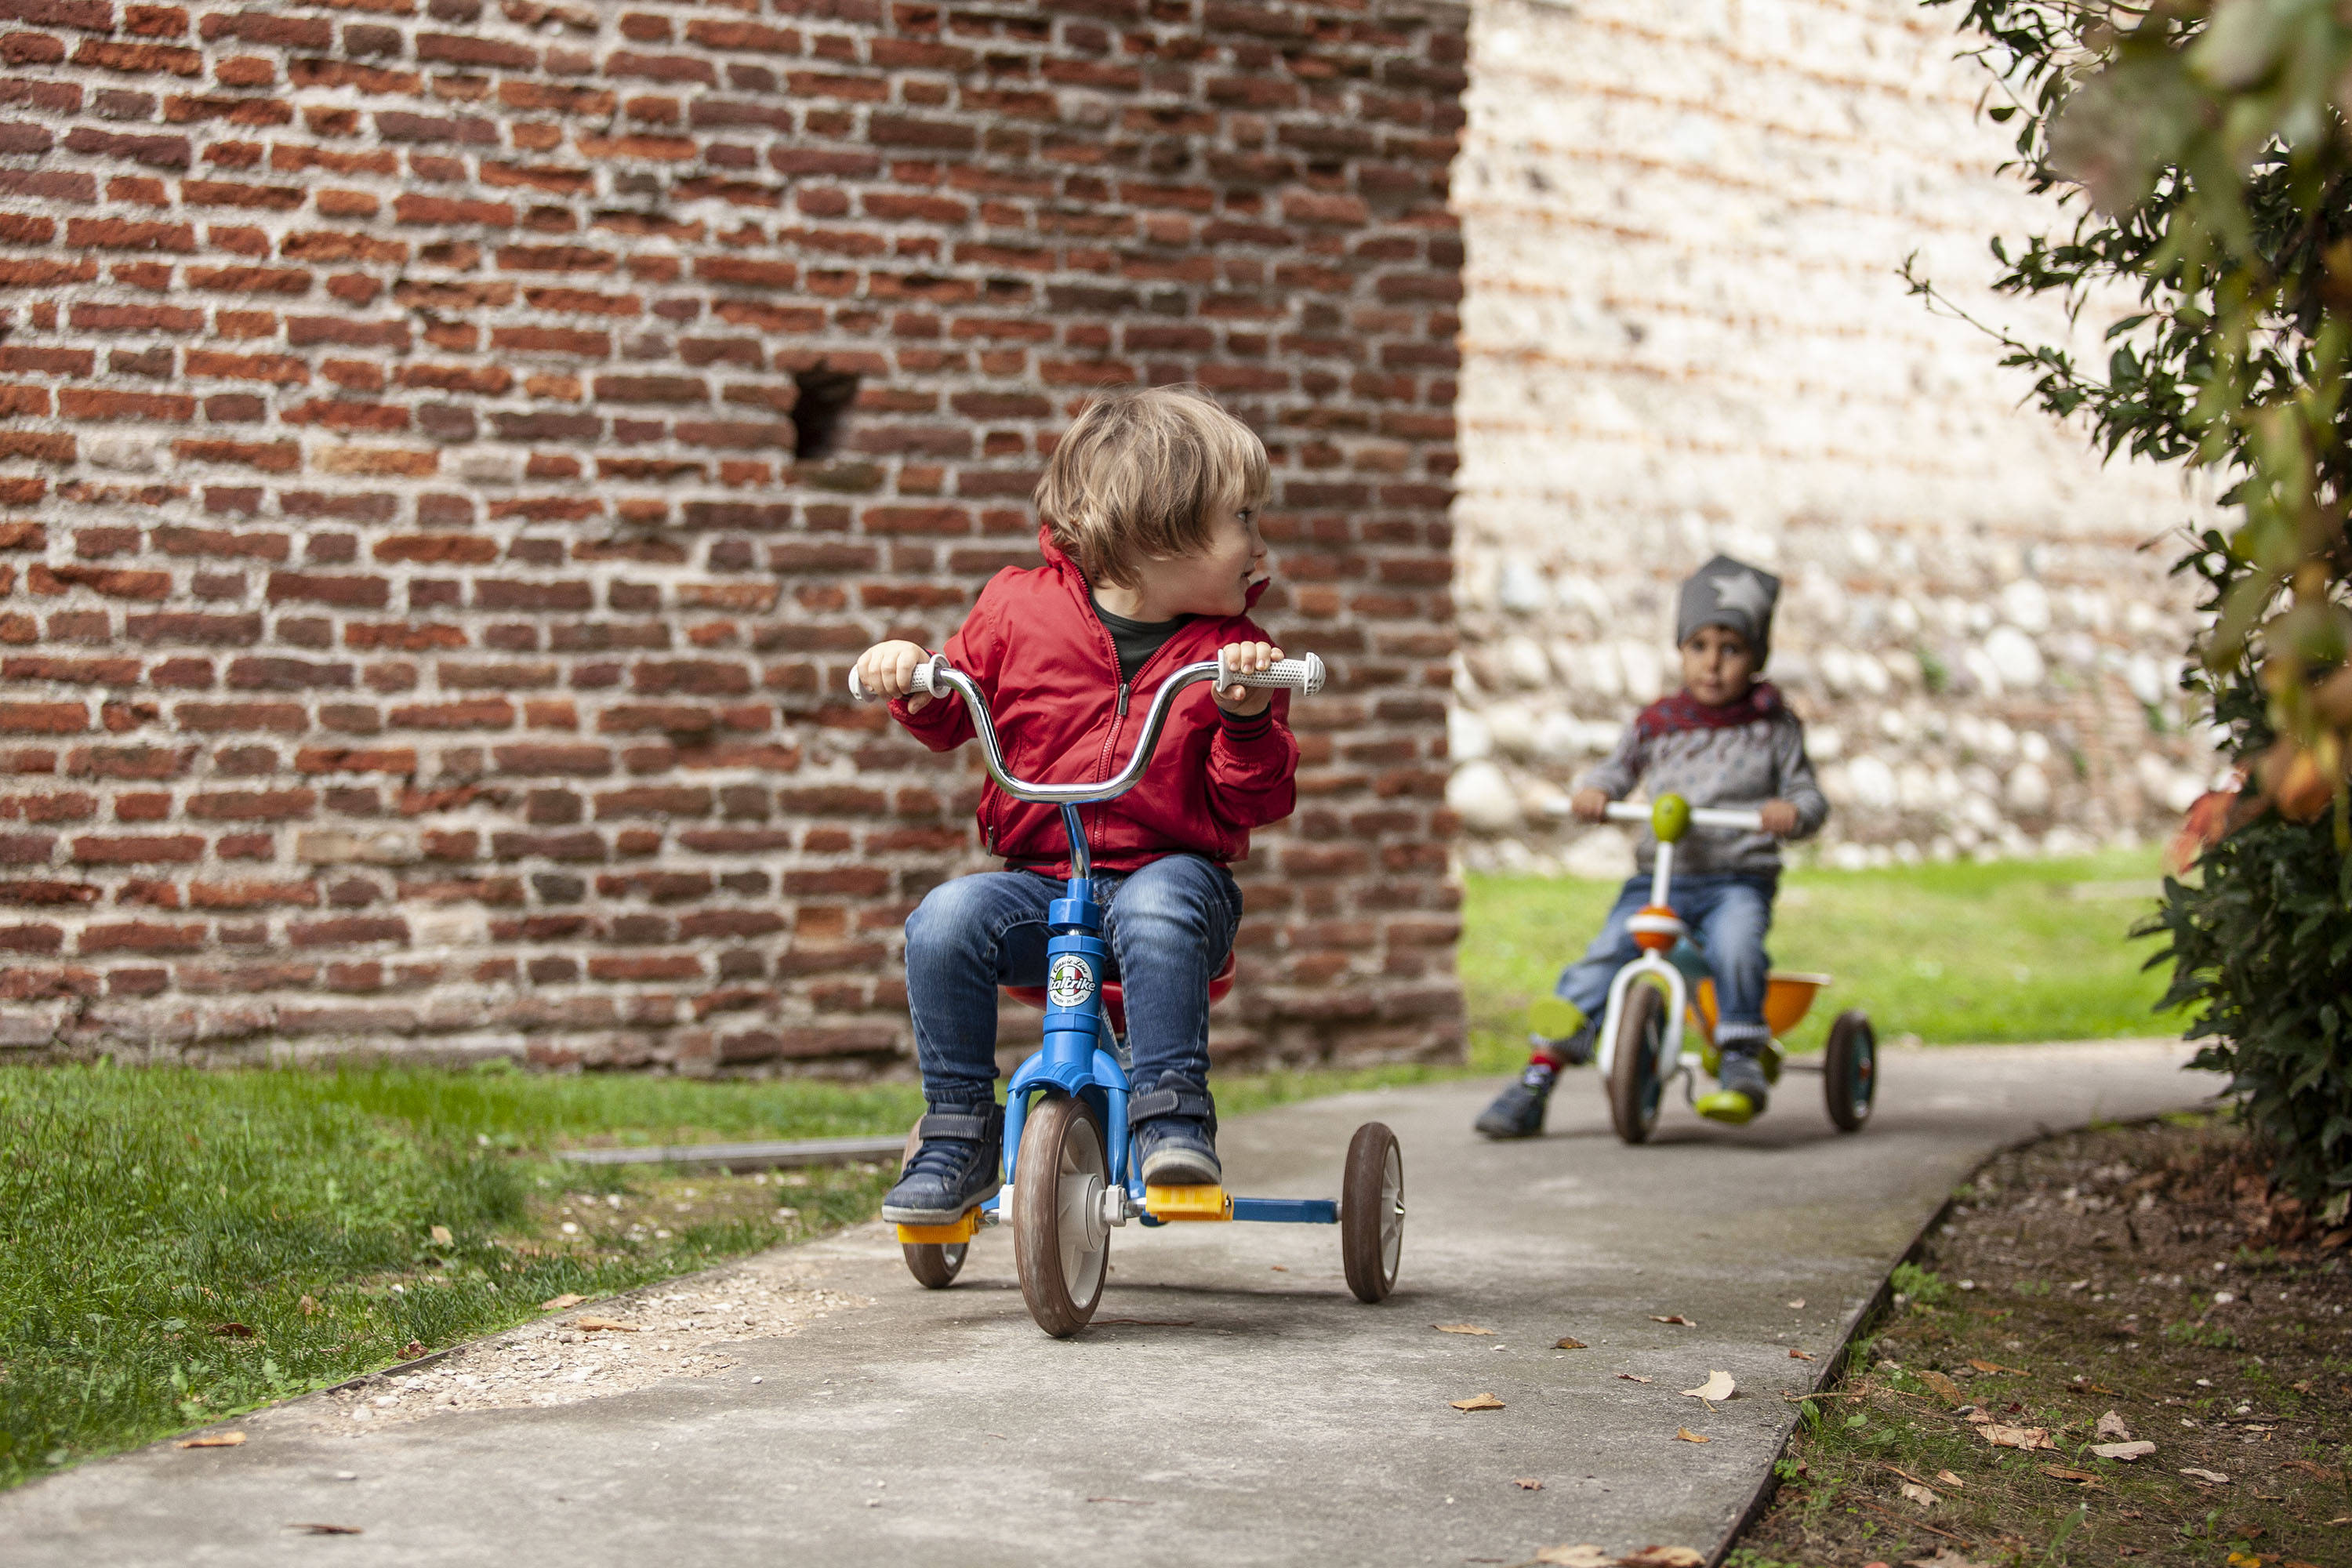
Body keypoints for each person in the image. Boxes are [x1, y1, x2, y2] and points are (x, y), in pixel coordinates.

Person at [854, 387, 1299, 1225]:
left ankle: (1174, 1116)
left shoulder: (1232, 655)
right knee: (945, 918)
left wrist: (1244, 719)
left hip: (1173, 880)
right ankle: (956, 1128)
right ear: (1154, 528)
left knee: (1162, 899)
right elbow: (953, 707)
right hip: (1041, 883)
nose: (1260, 542)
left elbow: (1259, 796)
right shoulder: (1018, 610)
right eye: (1242, 516)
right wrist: (910, 672)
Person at [1475, 554, 1829, 1138]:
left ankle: (1739, 1054)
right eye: (1699, 647)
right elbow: (1618, 770)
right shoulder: (1659, 721)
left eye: (1732, 649)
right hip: (1663, 878)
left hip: (1736, 878)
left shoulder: (1773, 725)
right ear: (1681, 651)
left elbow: (1808, 796)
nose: (1713, 663)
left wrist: (1790, 812)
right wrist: (1595, 792)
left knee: (1739, 945)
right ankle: (1540, 1072)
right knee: (1606, 952)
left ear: (1757, 657)